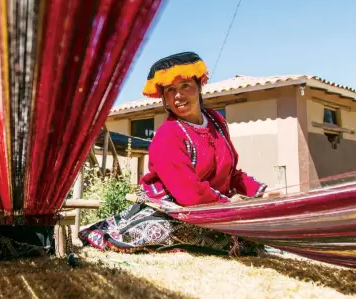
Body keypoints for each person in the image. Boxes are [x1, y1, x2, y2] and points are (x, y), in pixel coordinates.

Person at [78, 52, 271, 256]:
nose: (178, 95)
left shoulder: (216, 121)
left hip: (212, 207)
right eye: (170, 90)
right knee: (228, 240)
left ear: (199, 86)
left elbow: (230, 173)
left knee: (252, 236)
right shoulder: (168, 135)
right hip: (173, 208)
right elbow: (189, 191)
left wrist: (260, 192)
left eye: (185, 85)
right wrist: (228, 205)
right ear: (164, 97)